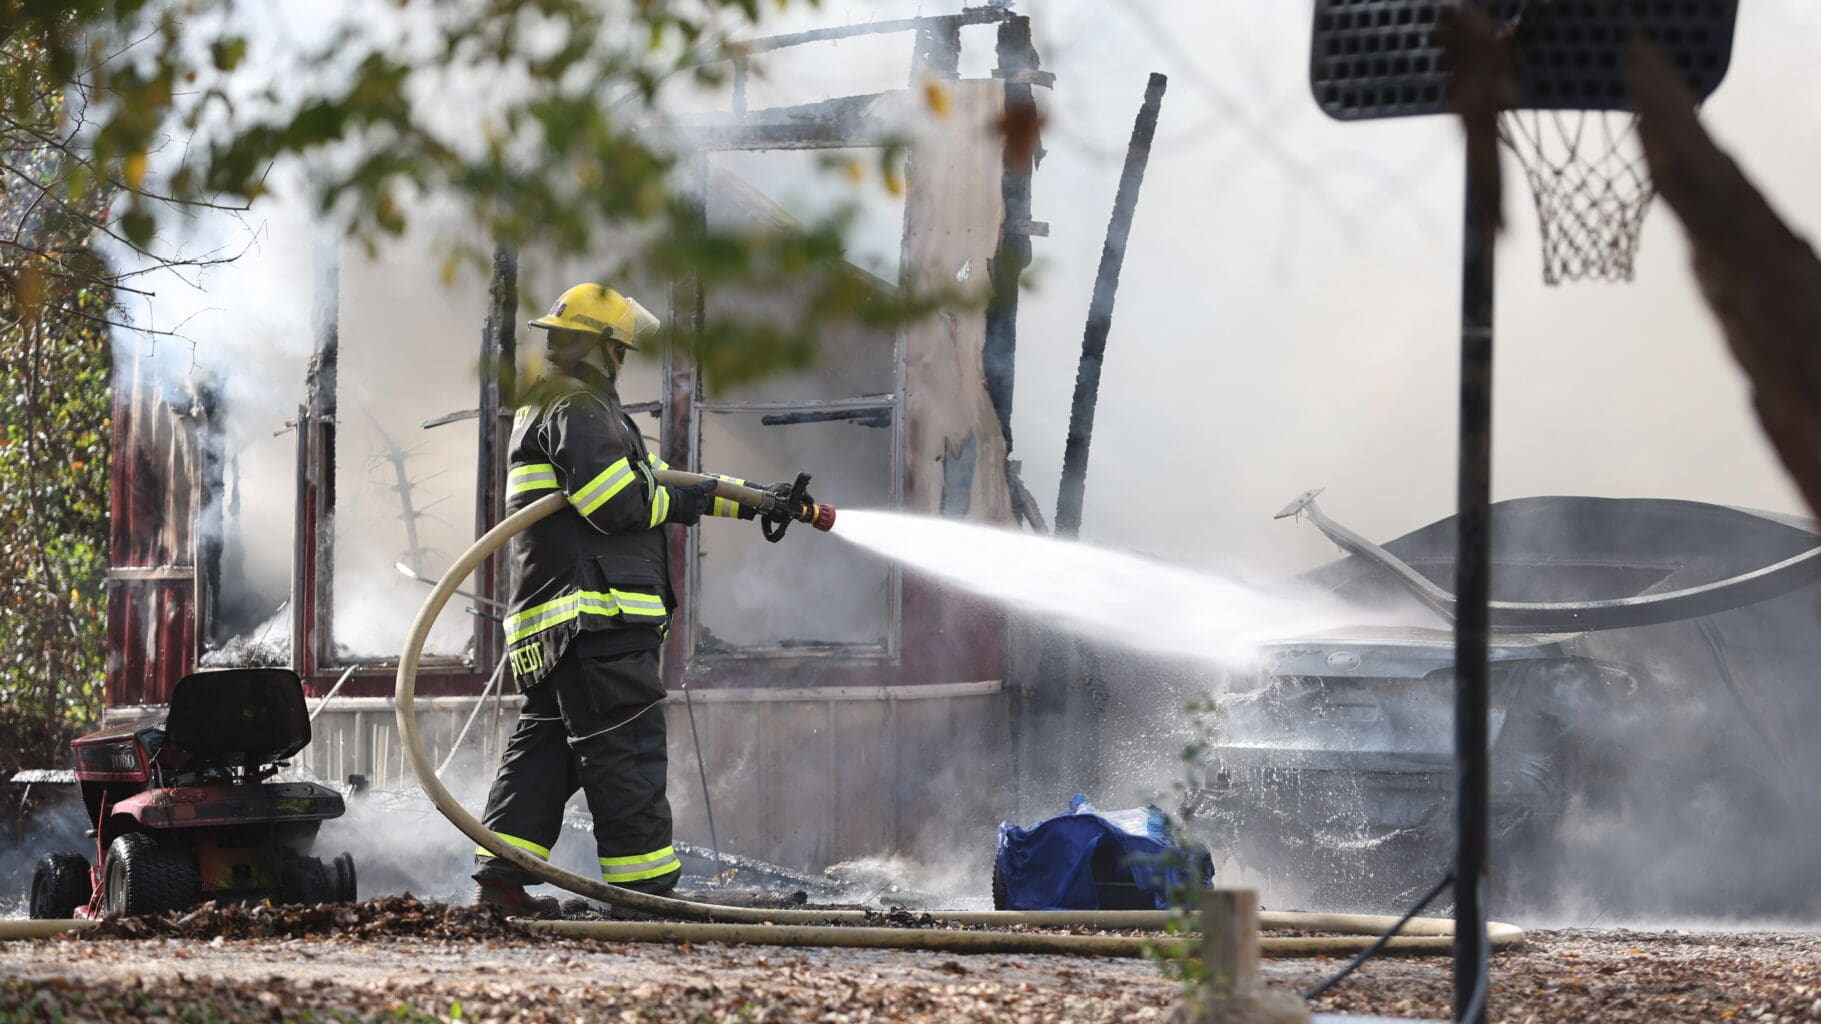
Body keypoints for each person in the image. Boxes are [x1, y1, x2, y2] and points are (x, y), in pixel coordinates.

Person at [471, 282, 779, 914]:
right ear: (597, 347)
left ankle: (500, 884)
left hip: (560, 621)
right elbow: (617, 503)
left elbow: (662, 482)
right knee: (627, 750)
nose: (622, 361)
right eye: (620, 349)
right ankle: (643, 896)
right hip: (597, 618)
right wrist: (684, 503)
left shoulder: (560, 405)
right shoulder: (579, 407)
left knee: (547, 753)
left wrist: (757, 502)